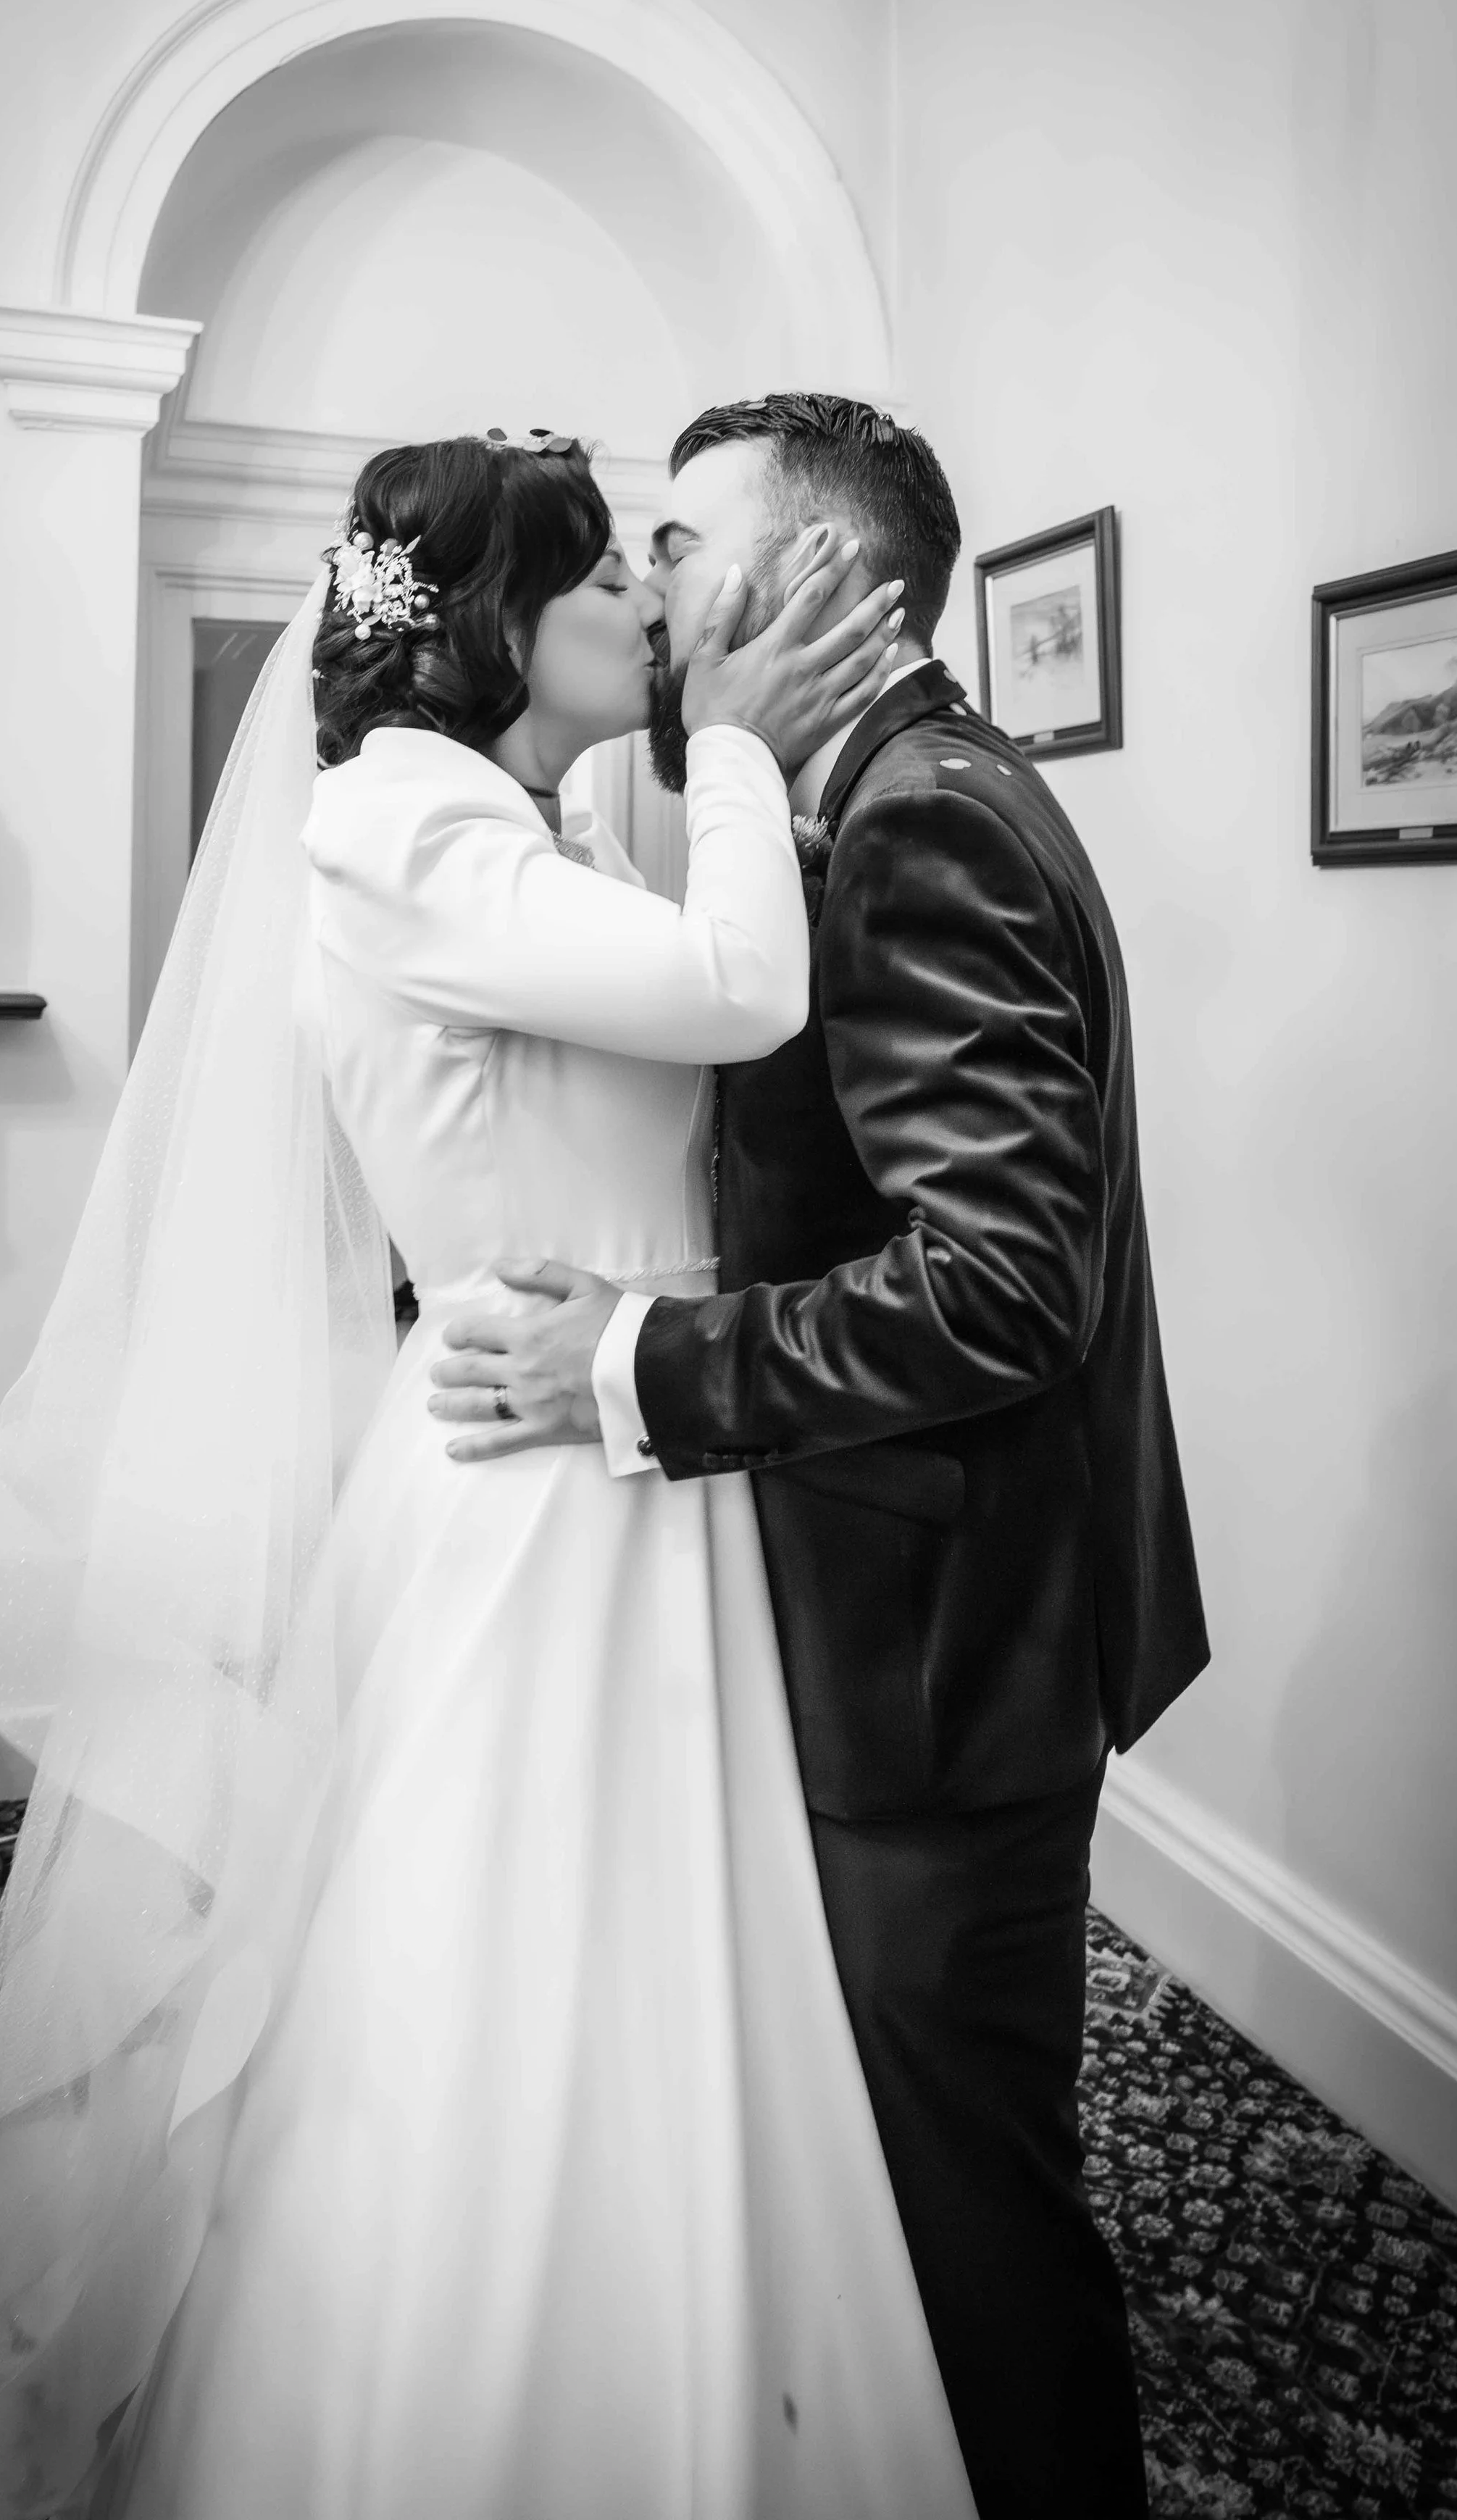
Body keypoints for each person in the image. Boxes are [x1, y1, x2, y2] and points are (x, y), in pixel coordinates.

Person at [0, 429, 977, 2520]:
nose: (652, 611)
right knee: (498, 1992)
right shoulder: (397, 824)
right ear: (498, 625)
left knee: (656, 1997)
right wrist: (736, 743)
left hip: (621, 1438)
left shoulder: (523, 817)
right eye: (607, 584)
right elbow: (739, 989)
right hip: (540, 1481)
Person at [432, 394, 1212, 2520]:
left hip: (938, 1661)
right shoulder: (858, 795)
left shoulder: (921, 825)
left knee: (967, 2215)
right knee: (889, 2191)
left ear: (821, 578)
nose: (651, 583)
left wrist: (643, 1362)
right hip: (905, 1615)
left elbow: (996, 1291)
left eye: (683, 545)